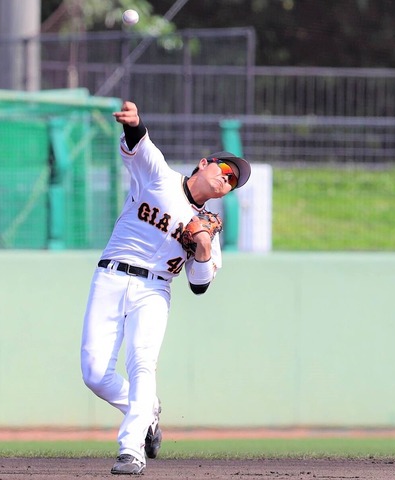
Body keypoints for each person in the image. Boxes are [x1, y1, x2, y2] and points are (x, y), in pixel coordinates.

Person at [80, 100, 251, 475]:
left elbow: (199, 285)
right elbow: (140, 143)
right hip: (110, 275)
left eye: (233, 181)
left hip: (154, 291)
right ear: (204, 163)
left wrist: (203, 247)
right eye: (225, 169)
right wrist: (134, 123)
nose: (227, 179)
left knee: (142, 363)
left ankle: (131, 451)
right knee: (94, 374)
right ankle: (147, 410)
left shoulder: (208, 228)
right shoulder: (160, 176)